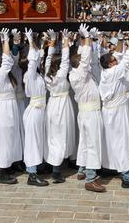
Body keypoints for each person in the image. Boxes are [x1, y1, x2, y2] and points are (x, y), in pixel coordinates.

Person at [99, 26, 129, 188]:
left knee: (110, 141)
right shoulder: (114, 72)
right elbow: (128, 58)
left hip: (109, 112)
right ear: (111, 64)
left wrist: (119, 39)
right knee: (122, 142)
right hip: (117, 114)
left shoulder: (106, 72)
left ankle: (109, 166)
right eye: (114, 60)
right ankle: (127, 177)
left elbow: (118, 55)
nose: (117, 60)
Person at [69, 24, 105, 192]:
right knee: (92, 144)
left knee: (85, 142)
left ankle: (82, 169)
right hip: (90, 113)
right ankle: (91, 178)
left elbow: (87, 60)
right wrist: (87, 40)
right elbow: (85, 59)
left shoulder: (79, 74)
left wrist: (86, 39)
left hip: (86, 112)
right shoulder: (79, 76)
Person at [43, 29, 76, 184]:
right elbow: (65, 58)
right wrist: (65, 40)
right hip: (62, 105)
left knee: (53, 135)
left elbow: (48, 60)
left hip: (52, 104)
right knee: (61, 135)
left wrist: (52, 42)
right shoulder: (62, 74)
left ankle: (53, 164)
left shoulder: (47, 75)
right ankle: (56, 171)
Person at [0, 28, 22, 184]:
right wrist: (5, 40)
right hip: (3, 108)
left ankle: (8, 166)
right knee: (4, 139)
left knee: (11, 137)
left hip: (11, 107)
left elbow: (11, 60)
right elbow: (7, 60)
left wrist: (14, 41)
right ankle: (2, 173)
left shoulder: (8, 75)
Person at [20, 29, 48, 186]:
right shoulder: (30, 76)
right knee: (32, 141)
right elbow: (33, 61)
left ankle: (37, 166)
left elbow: (38, 57)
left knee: (39, 140)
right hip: (34, 110)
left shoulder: (38, 76)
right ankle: (31, 173)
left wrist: (39, 42)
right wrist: (30, 41)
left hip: (40, 110)